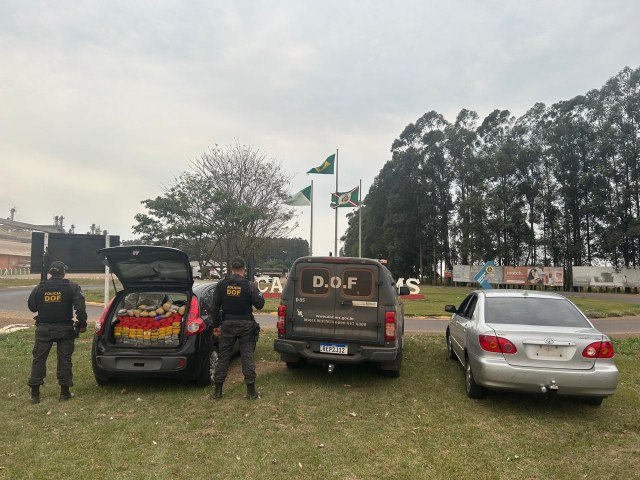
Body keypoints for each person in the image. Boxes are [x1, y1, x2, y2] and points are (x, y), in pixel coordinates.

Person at [27, 261, 88, 403]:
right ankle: (64, 393)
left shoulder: (39, 287)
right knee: (65, 360)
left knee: (39, 360)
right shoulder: (72, 287)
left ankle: (35, 395)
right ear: (63, 273)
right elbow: (81, 309)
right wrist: (82, 325)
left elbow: (32, 307)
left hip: (43, 329)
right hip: (64, 329)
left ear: (50, 273)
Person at [210, 256, 265, 400]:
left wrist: (216, 325)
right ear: (244, 269)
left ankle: (217, 392)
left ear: (231, 268)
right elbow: (260, 304)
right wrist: (257, 288)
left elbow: (214, 307)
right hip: (246, 325)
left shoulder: (221, 284)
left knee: (223, 358)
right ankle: (251, 392)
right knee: (247, 357)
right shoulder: (249, 285)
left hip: (227, 324)